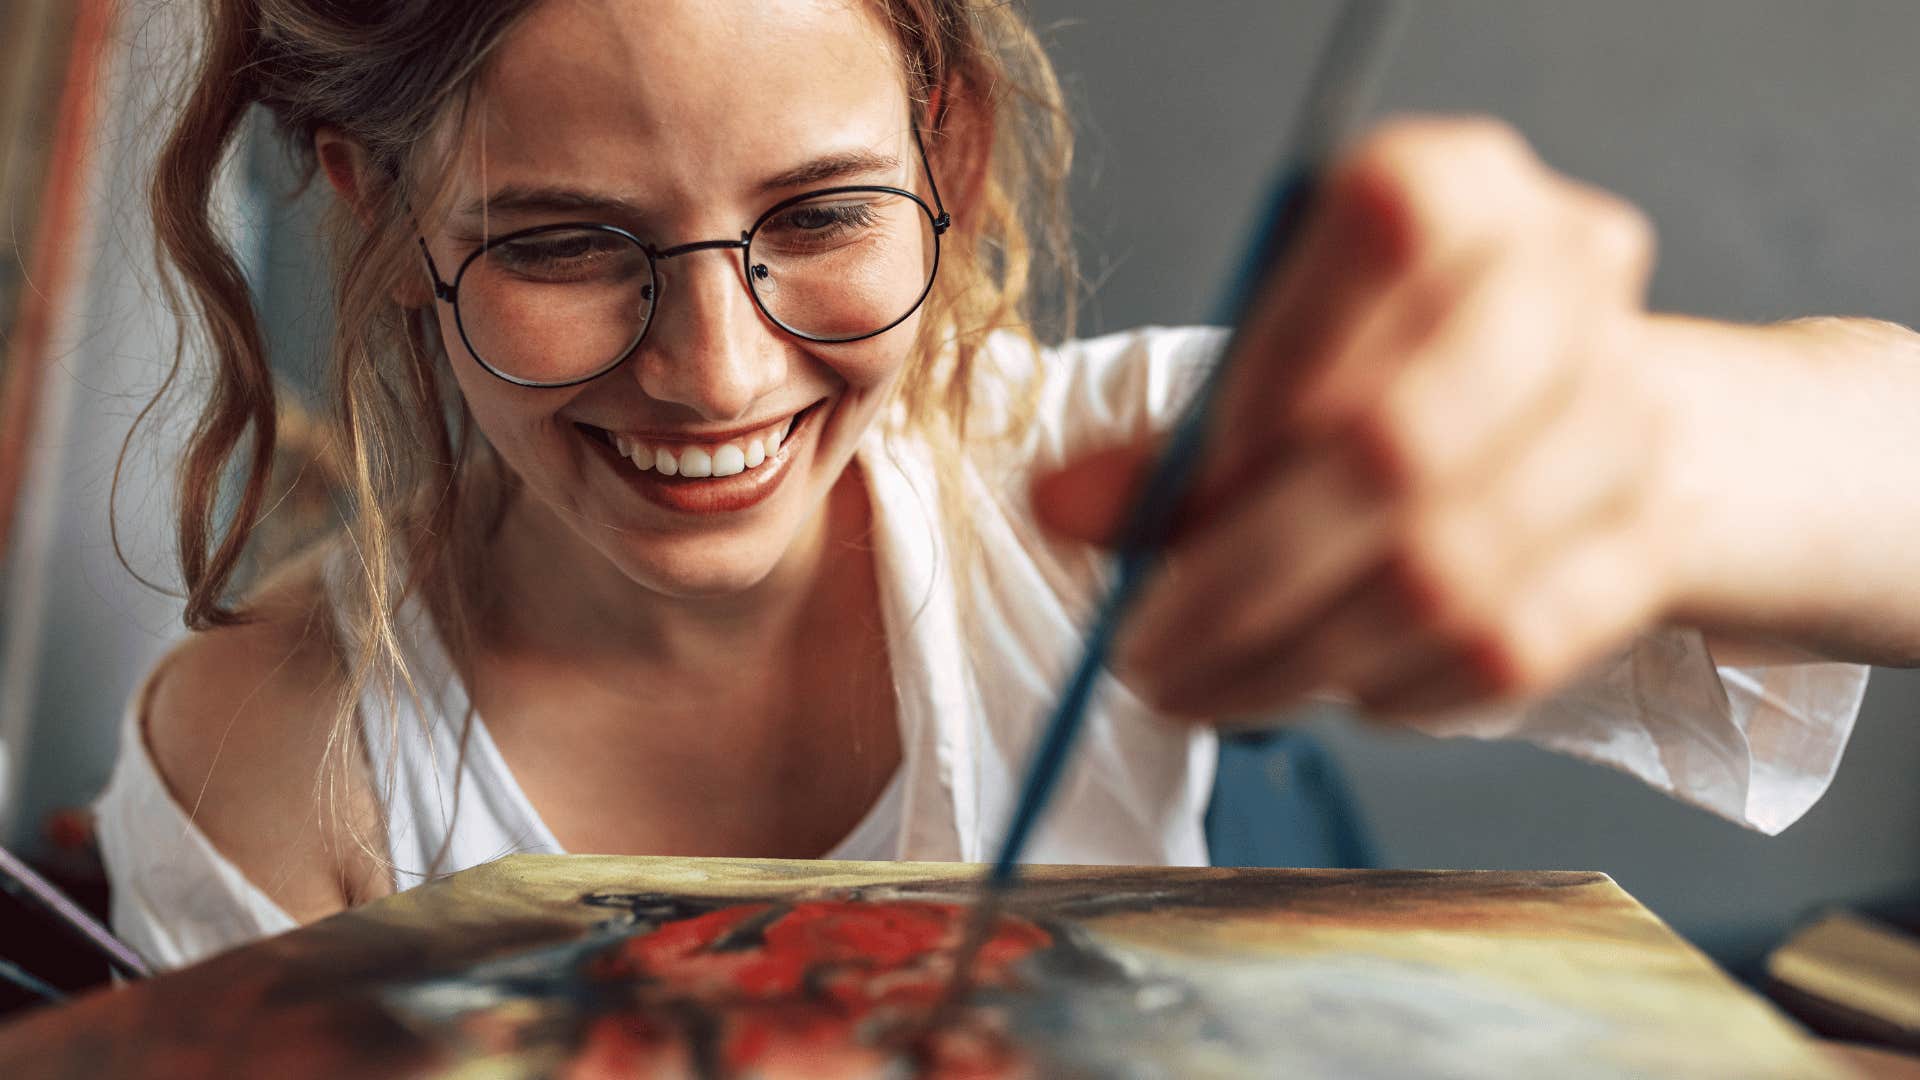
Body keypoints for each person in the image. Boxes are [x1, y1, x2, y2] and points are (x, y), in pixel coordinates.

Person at [94, 0, 1919, 971]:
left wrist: (1647, 448)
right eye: (567, 244)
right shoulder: (265, 775)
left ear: (943, 148)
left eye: (814, 218)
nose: (715, 375)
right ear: (371, 206)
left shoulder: (1098, 483)